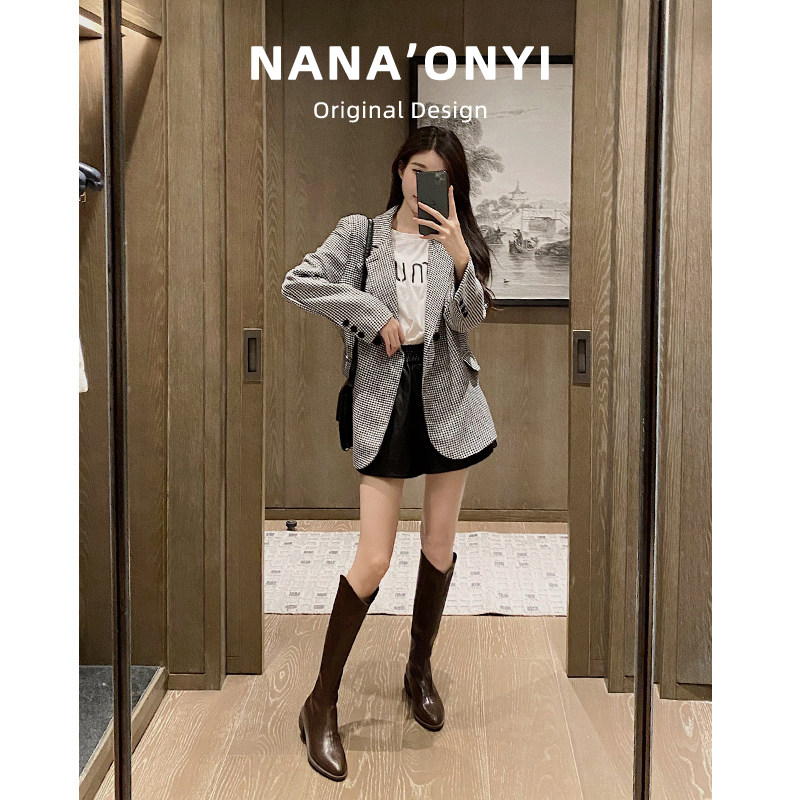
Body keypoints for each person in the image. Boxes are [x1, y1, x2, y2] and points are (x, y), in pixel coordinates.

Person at [281, 125, 498, 782]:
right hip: (385, 401)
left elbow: (469, 320)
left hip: (449, 402)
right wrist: (373, 315)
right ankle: (320, 703)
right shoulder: (361, 234)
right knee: (374, 557)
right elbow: (299, 282)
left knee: (438, 545)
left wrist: (459, 258)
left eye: (439, 175)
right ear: (399, 170)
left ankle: (417, 671)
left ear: (451, 184)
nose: (422, 182)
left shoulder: (454, 242)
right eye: (415, 169)